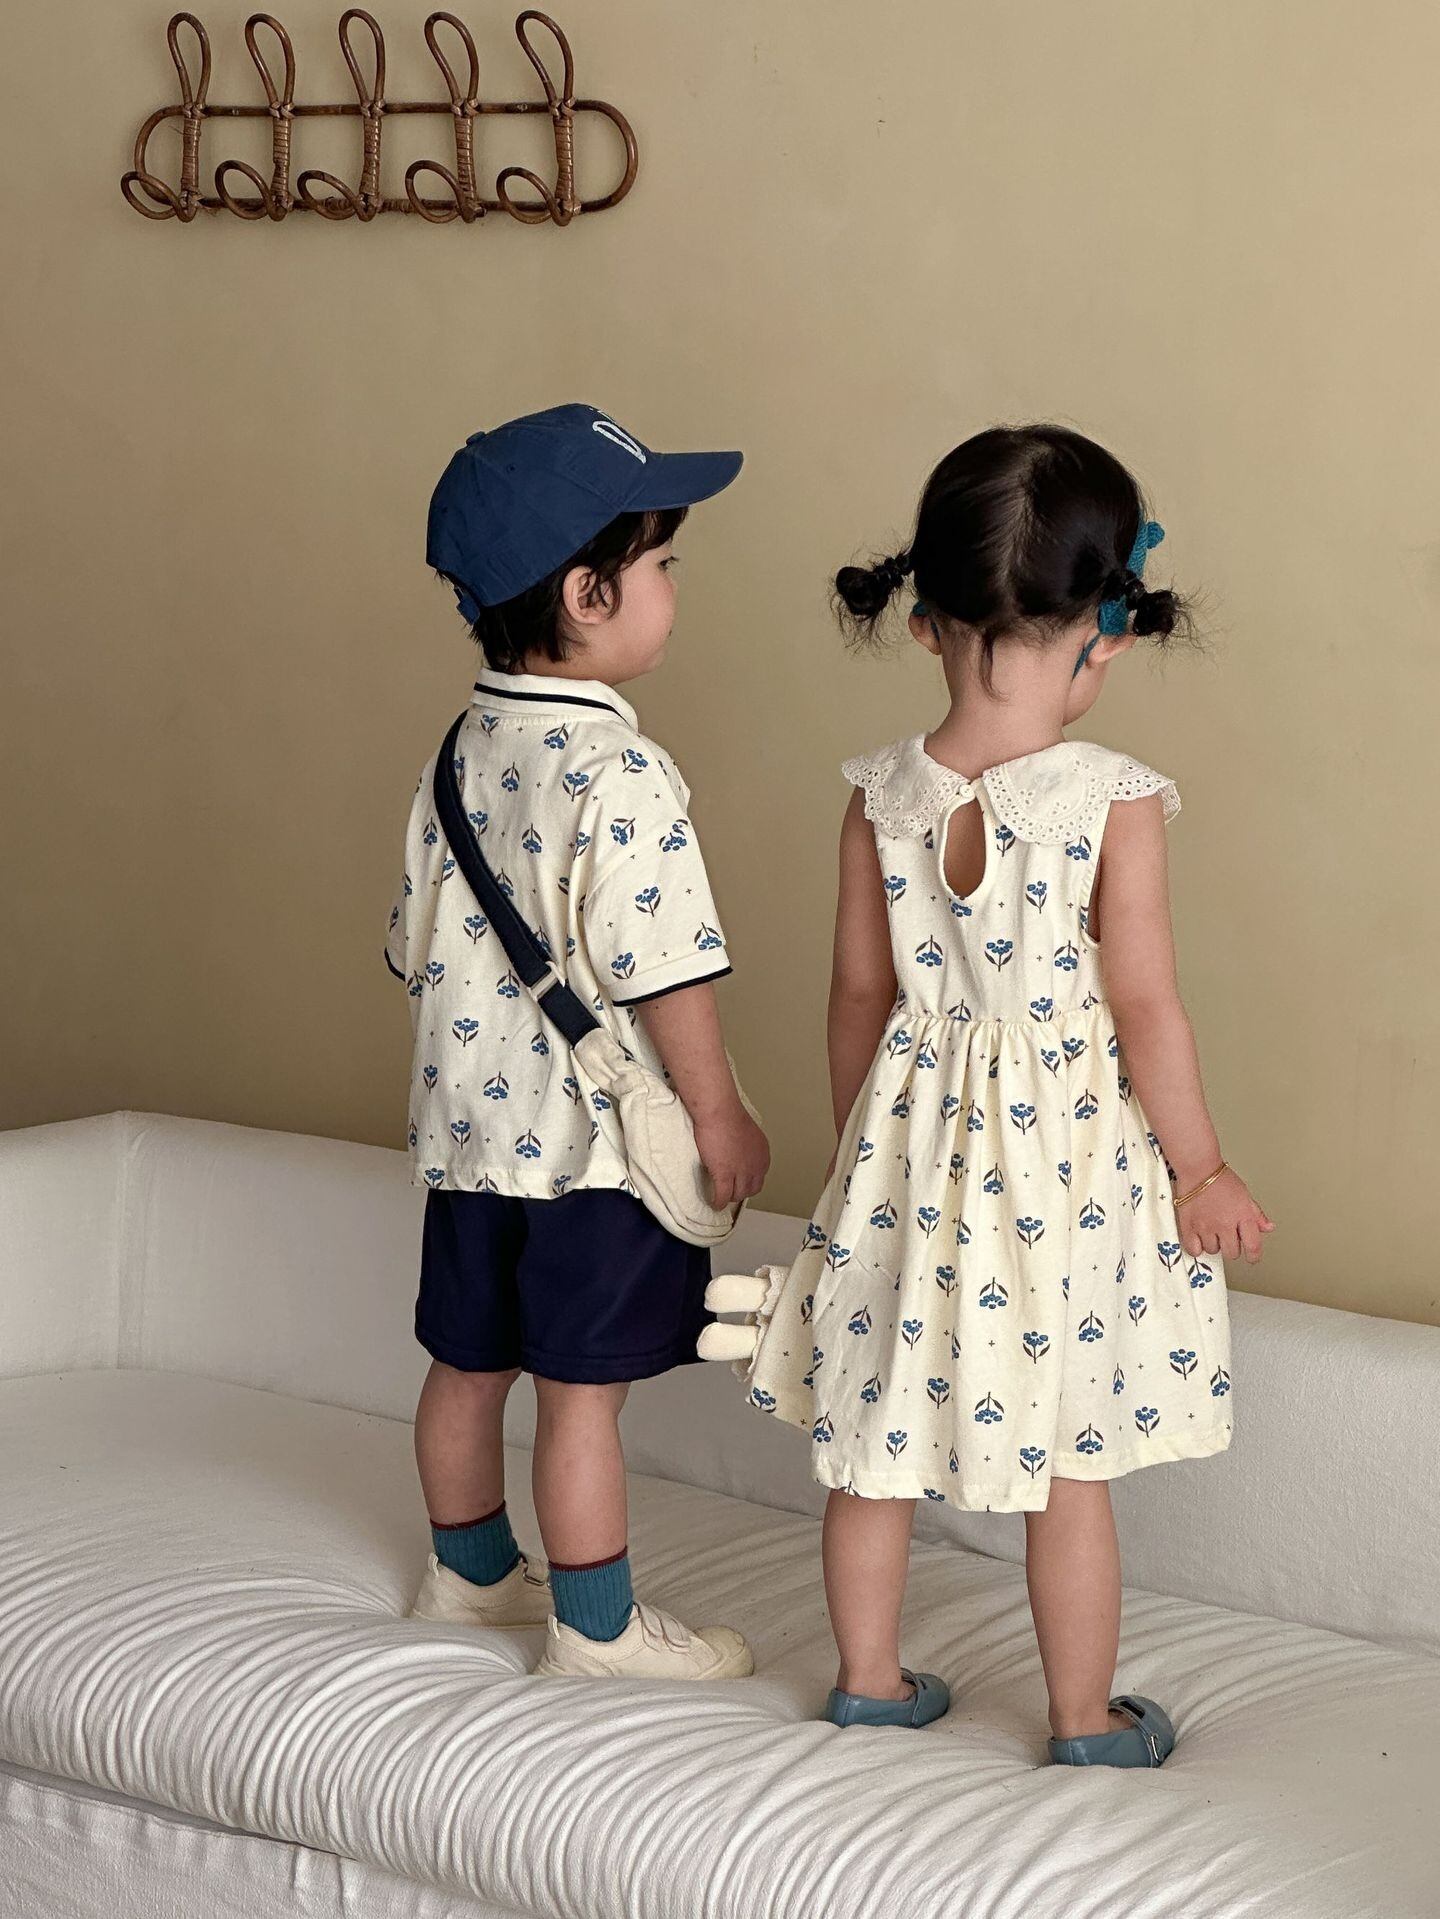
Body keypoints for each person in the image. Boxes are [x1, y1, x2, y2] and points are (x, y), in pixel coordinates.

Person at [704, 424, 1271, 1760]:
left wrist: (861, 1153)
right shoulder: (1112, 799)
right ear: (1106, 633)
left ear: (923, 620)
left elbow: (859, 996)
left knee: (879, 1416)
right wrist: (1200, 1166)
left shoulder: (879, 795)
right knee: (1067, 1447)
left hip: (909, 1143)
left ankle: (869, 1679)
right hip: (1064, 1160)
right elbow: (1146, 1007)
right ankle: (1081, 1716)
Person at [387, 404, 769, 1681]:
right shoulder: (624, 771)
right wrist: (717, 1113)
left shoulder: (455, 757)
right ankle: (596, 1628)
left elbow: (409, 946)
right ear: (587, 593)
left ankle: (467, 1572)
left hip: (467, 1138)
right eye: (662, 562)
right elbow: (666, 974)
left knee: (466, 1363)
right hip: (588, 1153)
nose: (673, 587)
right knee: (578, 1395)